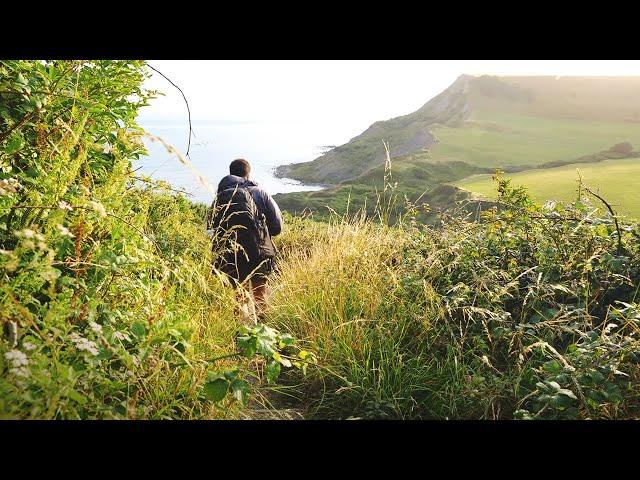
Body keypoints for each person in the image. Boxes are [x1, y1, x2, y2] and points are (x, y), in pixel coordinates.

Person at [208, 159, 283, 322]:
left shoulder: (221, 197)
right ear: (248, 174)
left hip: (230, 255)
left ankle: (241, 336)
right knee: (260, 295)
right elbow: (277, 227)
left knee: (239, 296)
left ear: (230, 174)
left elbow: (210, 228)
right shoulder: (261, 193)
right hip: (259, 252)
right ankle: (265, 334)